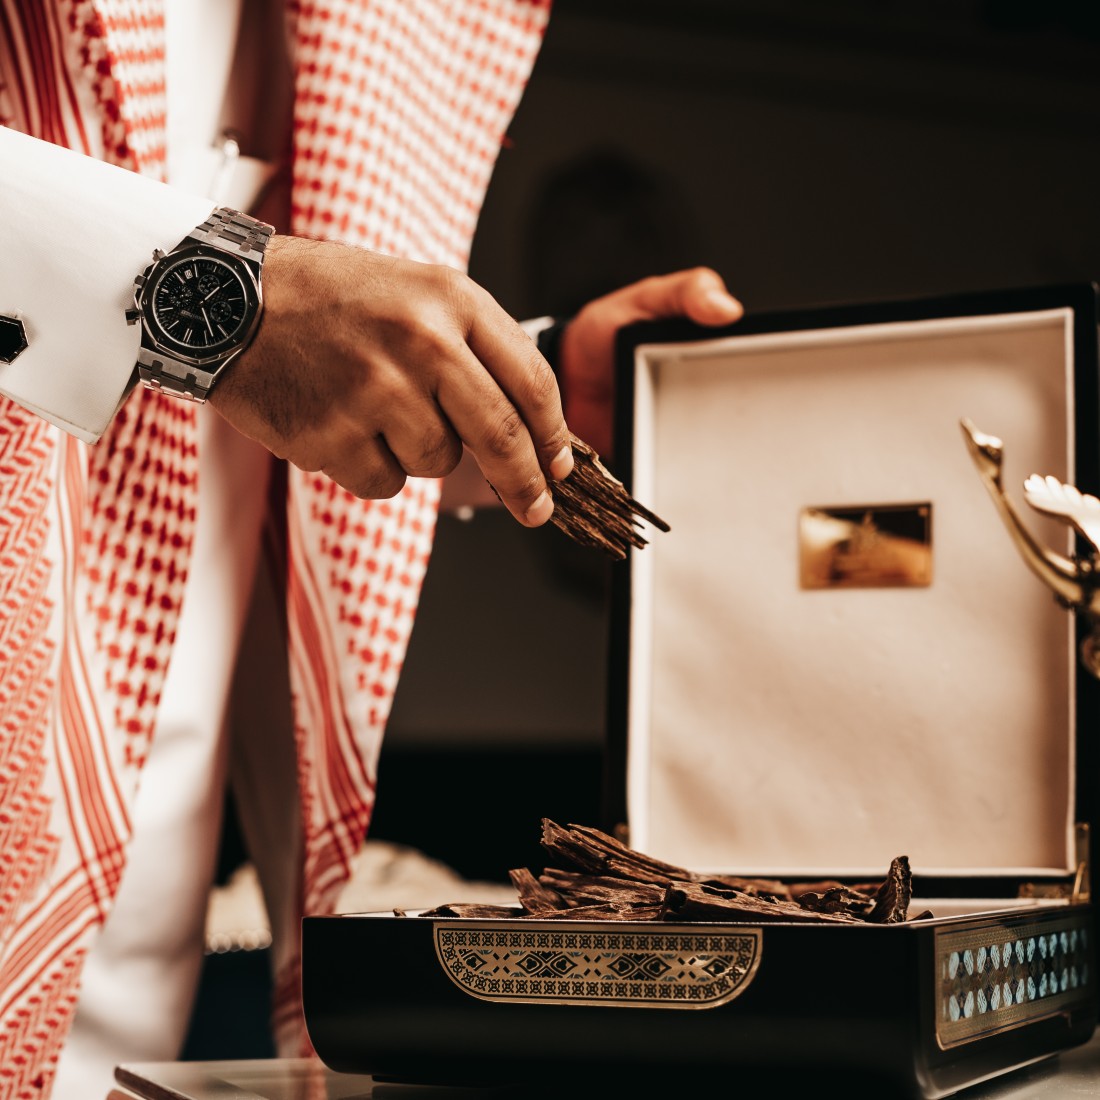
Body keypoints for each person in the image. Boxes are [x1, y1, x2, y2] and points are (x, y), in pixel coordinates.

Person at [0, 2, 744, 1096]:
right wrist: (222, 296)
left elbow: (201, 430)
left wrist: (499, 401)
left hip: (120, 1016)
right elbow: (230, 322)